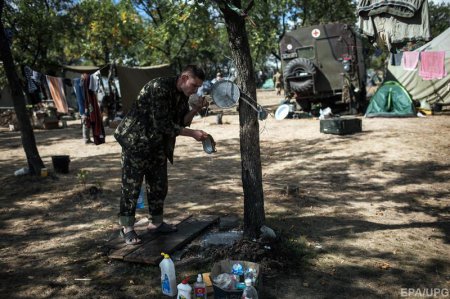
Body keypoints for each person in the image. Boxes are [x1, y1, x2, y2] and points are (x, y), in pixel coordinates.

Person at [114, 65, 210, 245]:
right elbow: (163, 125)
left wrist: (195, 109)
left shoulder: (183, 95)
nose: (195, 90)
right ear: (183, 78)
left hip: (157, 144)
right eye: (194, 85)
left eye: (198, 87)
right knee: (132, 187)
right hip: (136, 141)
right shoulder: (159, 88)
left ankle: (155, 223)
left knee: (158, 185)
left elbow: (180, 121)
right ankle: (126, 227)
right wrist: (192, 133)